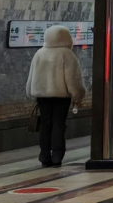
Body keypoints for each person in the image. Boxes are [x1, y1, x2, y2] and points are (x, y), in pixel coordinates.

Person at [26, 25, 86, 167]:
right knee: (58, 124)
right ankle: (57, 156)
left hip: (42, 96)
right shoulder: (67, 54)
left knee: (45, 124)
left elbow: (31, 76)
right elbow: (73, 79)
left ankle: (44, 155)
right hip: (61, 96)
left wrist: (30, 91)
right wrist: (77, 94)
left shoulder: (39, 53)